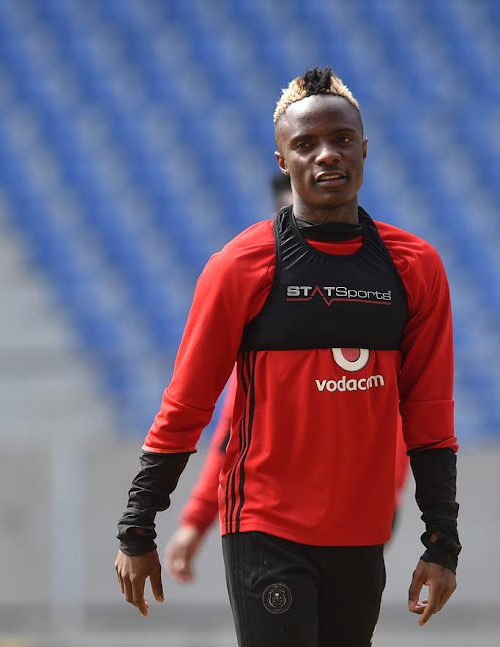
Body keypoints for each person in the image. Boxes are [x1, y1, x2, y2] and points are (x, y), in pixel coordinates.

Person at [115, 67, 461, 646]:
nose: (327, 155)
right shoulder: (239, 266)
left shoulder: (415, 267)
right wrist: (138, 524)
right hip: (265, 527)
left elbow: (428, 415)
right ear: (282, 160)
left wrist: (442, 541)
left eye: (341, 139)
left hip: (362, 533)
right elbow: (190, 403)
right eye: (305, 144)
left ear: (364, 149)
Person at [163, 175, 411, 585]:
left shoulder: (381, 302)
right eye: (292, 217)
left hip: (360, 516)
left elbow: (409, 417)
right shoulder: (264, 317)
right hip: (273, 518)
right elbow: (231, 433)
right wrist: (195, 520)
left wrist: (390, 500)